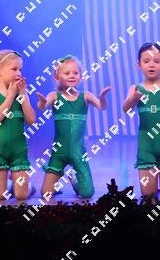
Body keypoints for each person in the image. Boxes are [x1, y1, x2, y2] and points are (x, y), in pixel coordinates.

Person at [36, 55, 110, 200]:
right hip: (59, 152)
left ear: (80, 77)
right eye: (67, 73)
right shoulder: (54, 96)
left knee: (87, 193)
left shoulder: (86, 96)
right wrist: (42, 102)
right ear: (57, 77)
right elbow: (42, 107)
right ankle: (55, 184)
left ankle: (74, 180)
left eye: (75, 73)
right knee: (45, 194)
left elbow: (102, 107)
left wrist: (102, 97)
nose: (72, 76)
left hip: (78, 152)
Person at [123, 42, 160, 203]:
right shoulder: (136, 88)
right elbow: (125, 109)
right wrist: (133, 99)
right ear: (139, 65)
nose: (151, 65)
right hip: (146, 148)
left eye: (156, 61)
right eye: (146, 61)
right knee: (148, 198)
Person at [0, 50, 36, 201]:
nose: (19, 73)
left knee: (21, 195)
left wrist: (23, 95)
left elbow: (31, 120)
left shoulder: (21, 93)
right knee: (0, 196)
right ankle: (11, 184)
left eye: (20, 69)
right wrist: (11, 94)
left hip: (18, 149)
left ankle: (29, 187)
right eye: (14, 69)